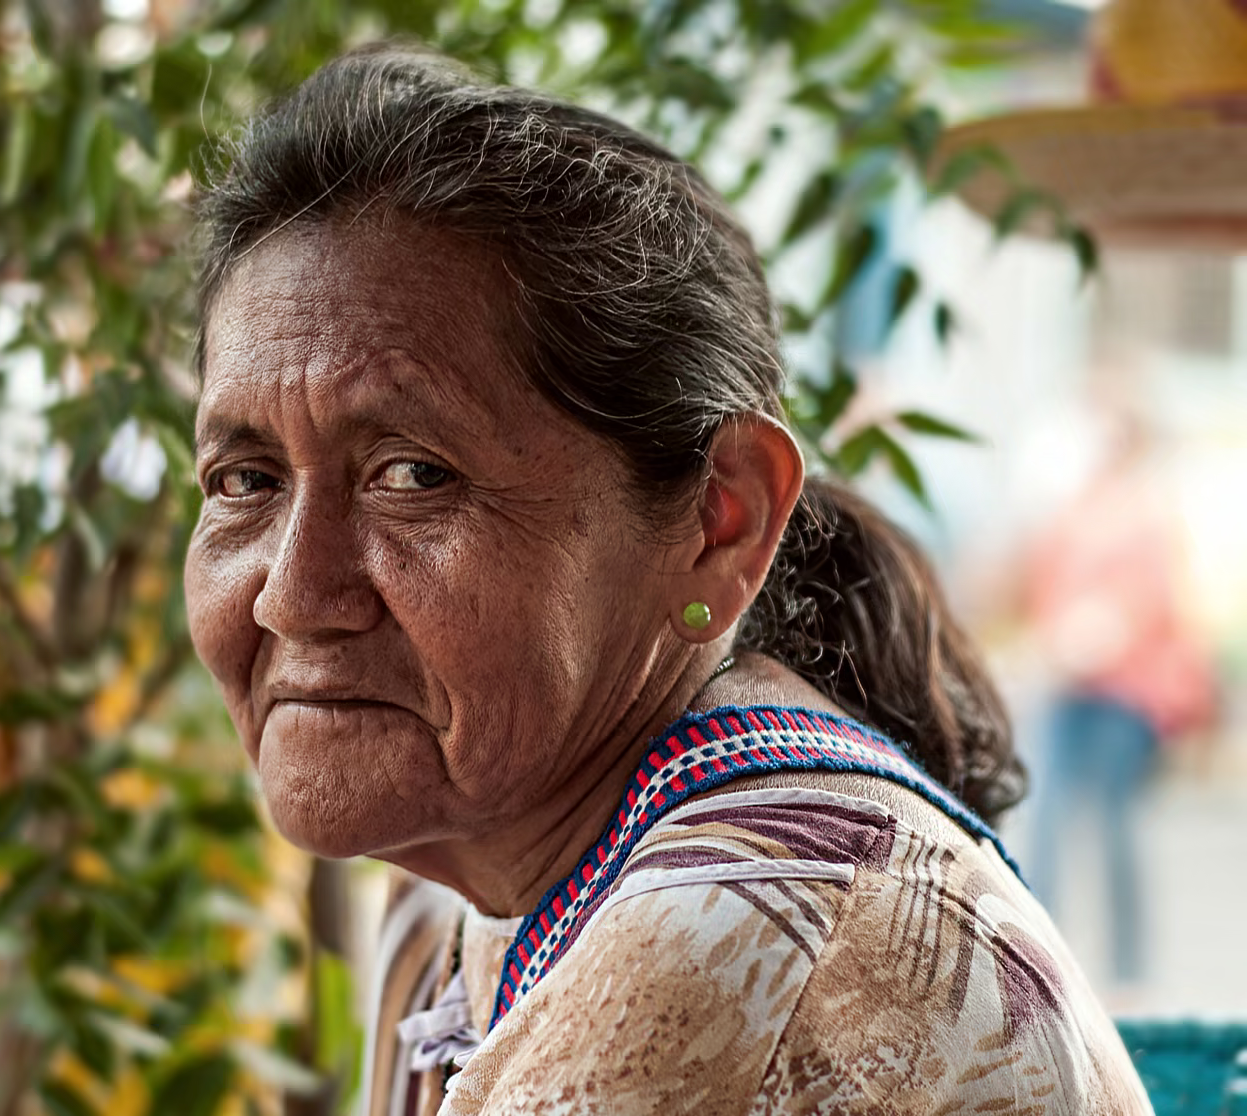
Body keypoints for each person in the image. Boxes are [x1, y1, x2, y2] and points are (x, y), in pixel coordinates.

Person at [183, 45, 1153, 1115]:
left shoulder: (730, 935)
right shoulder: (458, 901)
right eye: (245, 479)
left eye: (414, 475)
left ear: (716, 521)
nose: (290, 593)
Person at [1024, 409, 1215, 988]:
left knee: (1113, 826)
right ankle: (1035, 954)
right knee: (1047, 817)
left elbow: (1154, 601)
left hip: (1128, 695)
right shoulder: (1075, 506)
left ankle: (1129, 971)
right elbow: (1043, 583)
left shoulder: (1148, 514)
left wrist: (1103, 634)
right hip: (1067, 688)